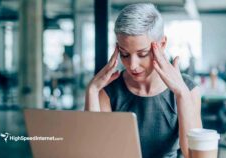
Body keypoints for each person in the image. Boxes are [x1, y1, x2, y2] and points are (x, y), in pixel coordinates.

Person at [85, 3, 202, 158]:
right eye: (124, 54)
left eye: (143, 53)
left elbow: (192, 154)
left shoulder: (188, 89)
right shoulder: (109, 92)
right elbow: (95, 152)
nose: (132, 65)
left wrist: (181, 94)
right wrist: (92, 90)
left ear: (162, 44)